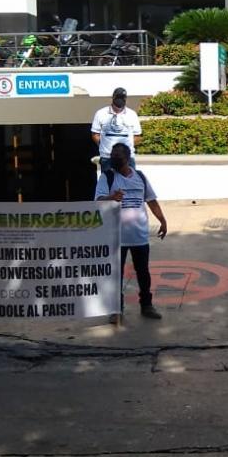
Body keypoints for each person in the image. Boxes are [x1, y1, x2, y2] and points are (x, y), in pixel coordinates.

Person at [95, 143, 168, 319]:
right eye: (113, 155)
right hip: (116, 237)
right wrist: (111, 198)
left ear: (127, 158)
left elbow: (151, 201)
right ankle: (116, 309)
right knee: (116, 275)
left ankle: (147, 305)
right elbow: (98, 201)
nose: (115, 158)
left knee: (143, 273)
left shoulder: (140, 177)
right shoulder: (107, 177)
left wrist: (163, 220)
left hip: (139, 235)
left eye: (118, 155)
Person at [91, 87, 142, 172]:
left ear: (126, 99)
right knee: (108, 180)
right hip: (107, 158)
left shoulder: (132, 114)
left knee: (130, 180)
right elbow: (95, 134)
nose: (120, 100)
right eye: (118, 97)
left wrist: (125, 149)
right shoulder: (100, 113)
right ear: (113, 98)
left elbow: (137, 136)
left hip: (128, 158)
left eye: (122, 98)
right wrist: (104, 145)